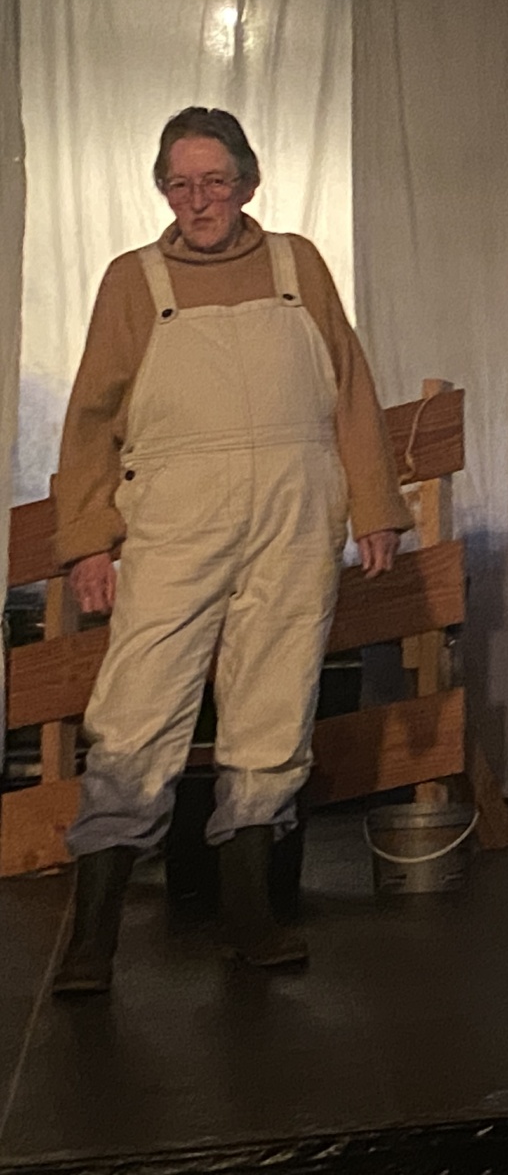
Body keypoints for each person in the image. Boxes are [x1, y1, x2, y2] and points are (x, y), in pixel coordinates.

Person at [49, 108, 409, 996]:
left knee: (274, 703)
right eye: (180, 184)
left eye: (214, 181)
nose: (198, 200)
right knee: (137, 707)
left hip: (295, 512)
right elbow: (91, 418)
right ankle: (91, 937)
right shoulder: (134, 280)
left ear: (248, 181)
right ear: (163, 190)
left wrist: (374, 508)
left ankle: (251, 915)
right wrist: (88, 541)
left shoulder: (298, 264)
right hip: (176, 520)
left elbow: (350, 388)